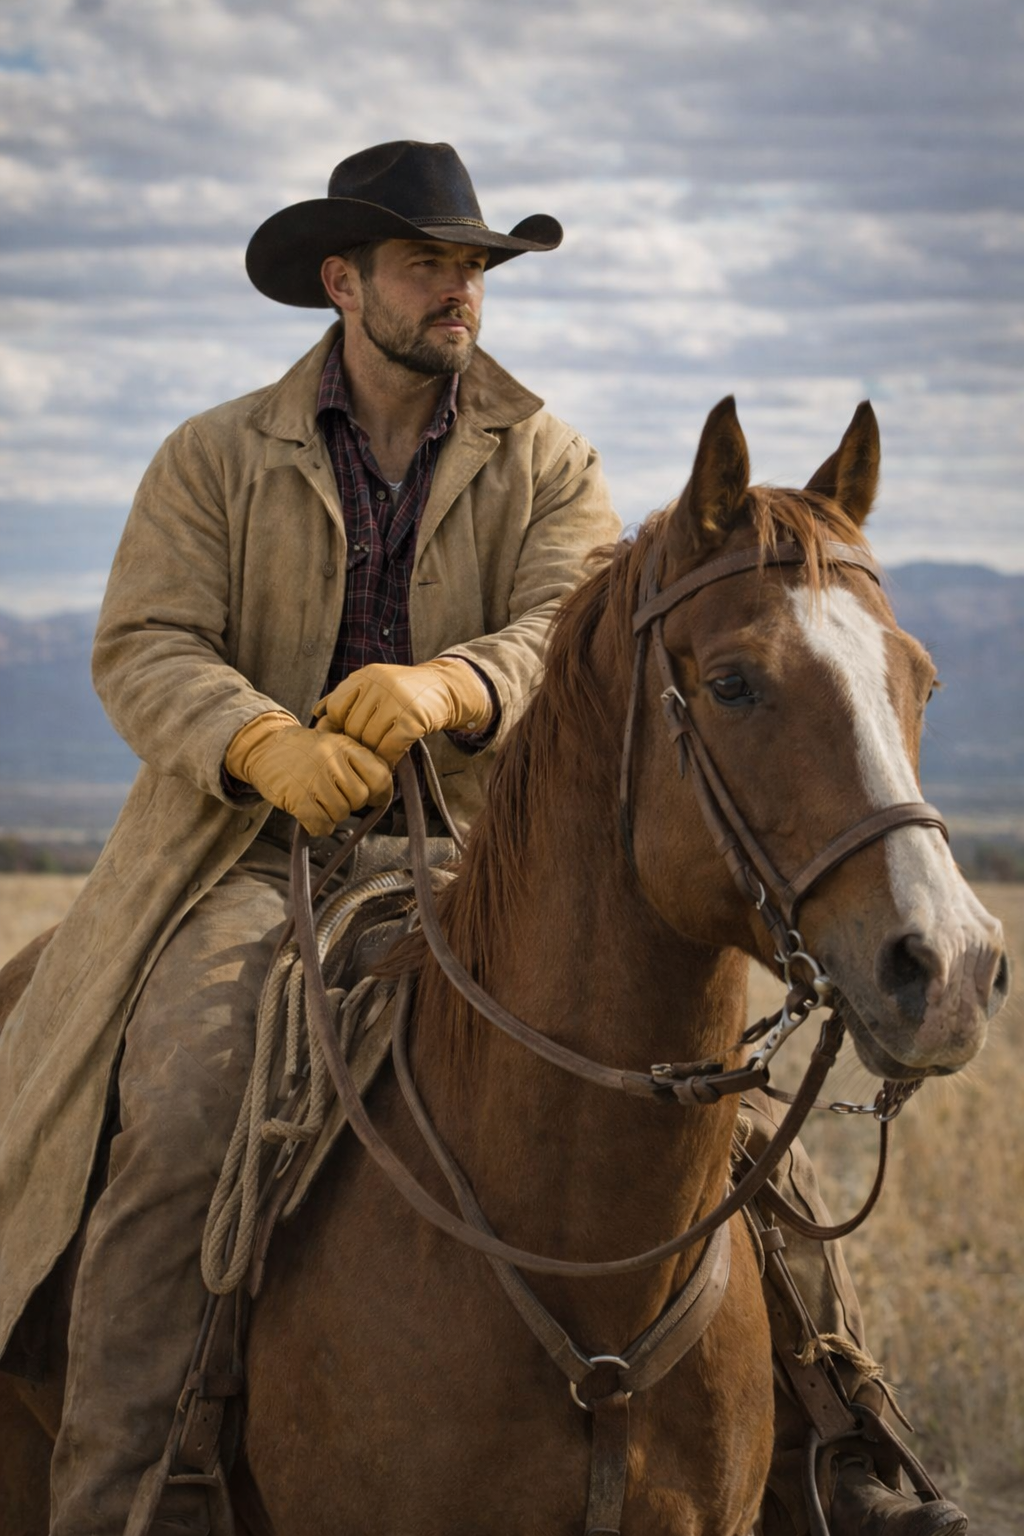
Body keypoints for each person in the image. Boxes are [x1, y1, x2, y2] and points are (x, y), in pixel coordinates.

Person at [0, 142, 966, 1536]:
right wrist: (260, 739)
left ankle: (845, 1452)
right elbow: (145, 641)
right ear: (343, 283)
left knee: (729, 1106)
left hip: (476, 848)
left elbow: (563, 628)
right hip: (248, 859)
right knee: (195, 1100)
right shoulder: (213, 458)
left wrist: (455, 689)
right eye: (428, 265)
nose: (461, 292)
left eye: (474, 268)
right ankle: (133, 1492)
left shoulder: (547, 456)